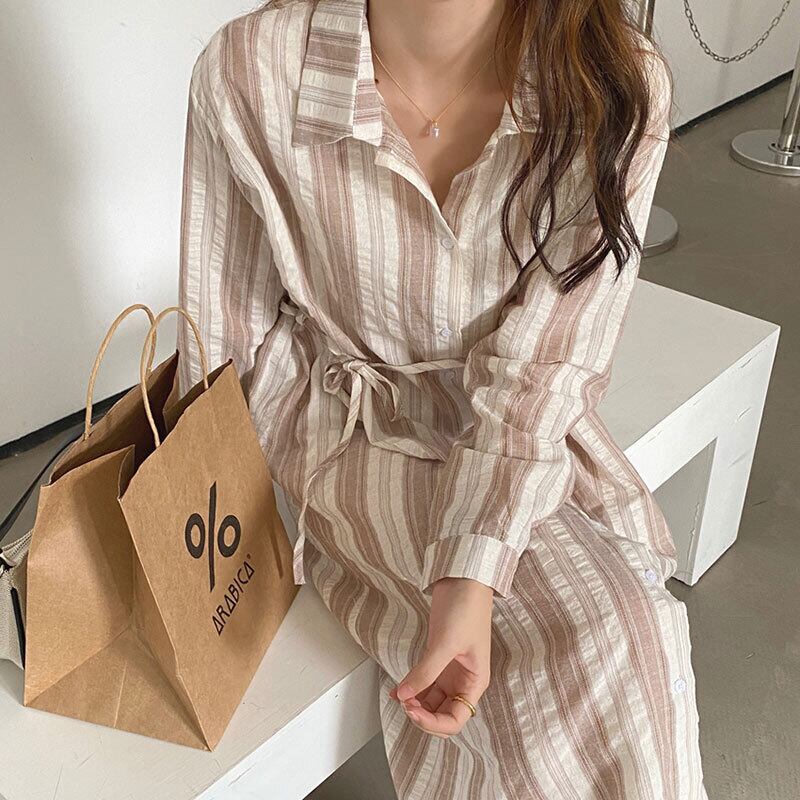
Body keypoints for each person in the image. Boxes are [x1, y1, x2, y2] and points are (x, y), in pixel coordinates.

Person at [177, 0, 707, 796]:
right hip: (345, 430)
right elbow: (221, 329)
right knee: (602, 639)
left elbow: (548, 366)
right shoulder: (250, 68)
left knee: (625, 631)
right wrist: (198, 518)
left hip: (520, 431)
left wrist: (471, 572)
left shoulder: (613, 81)